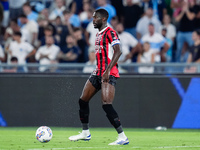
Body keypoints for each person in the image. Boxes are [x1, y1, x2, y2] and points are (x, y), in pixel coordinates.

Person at [68, 8, 129, 145]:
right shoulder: (98, 35)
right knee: (83, 101)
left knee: (106, 104)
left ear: (103, 19)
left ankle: (122, 137)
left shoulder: (110, 32)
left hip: (108, 72)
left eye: (95, 18)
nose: (93, 20)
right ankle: (85, 133)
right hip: (97, 72)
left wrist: (107, 70)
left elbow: (118, 51)